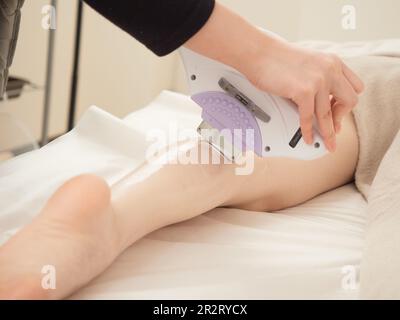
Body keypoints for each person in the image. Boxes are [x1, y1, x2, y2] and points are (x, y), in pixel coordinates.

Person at [0, 1, 363, 299]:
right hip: (370, 100)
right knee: (258, 155)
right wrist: (260, 53)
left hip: (364, 99)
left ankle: (109, 219)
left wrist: (258, 52)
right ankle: (112, 222)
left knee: (236, 150)